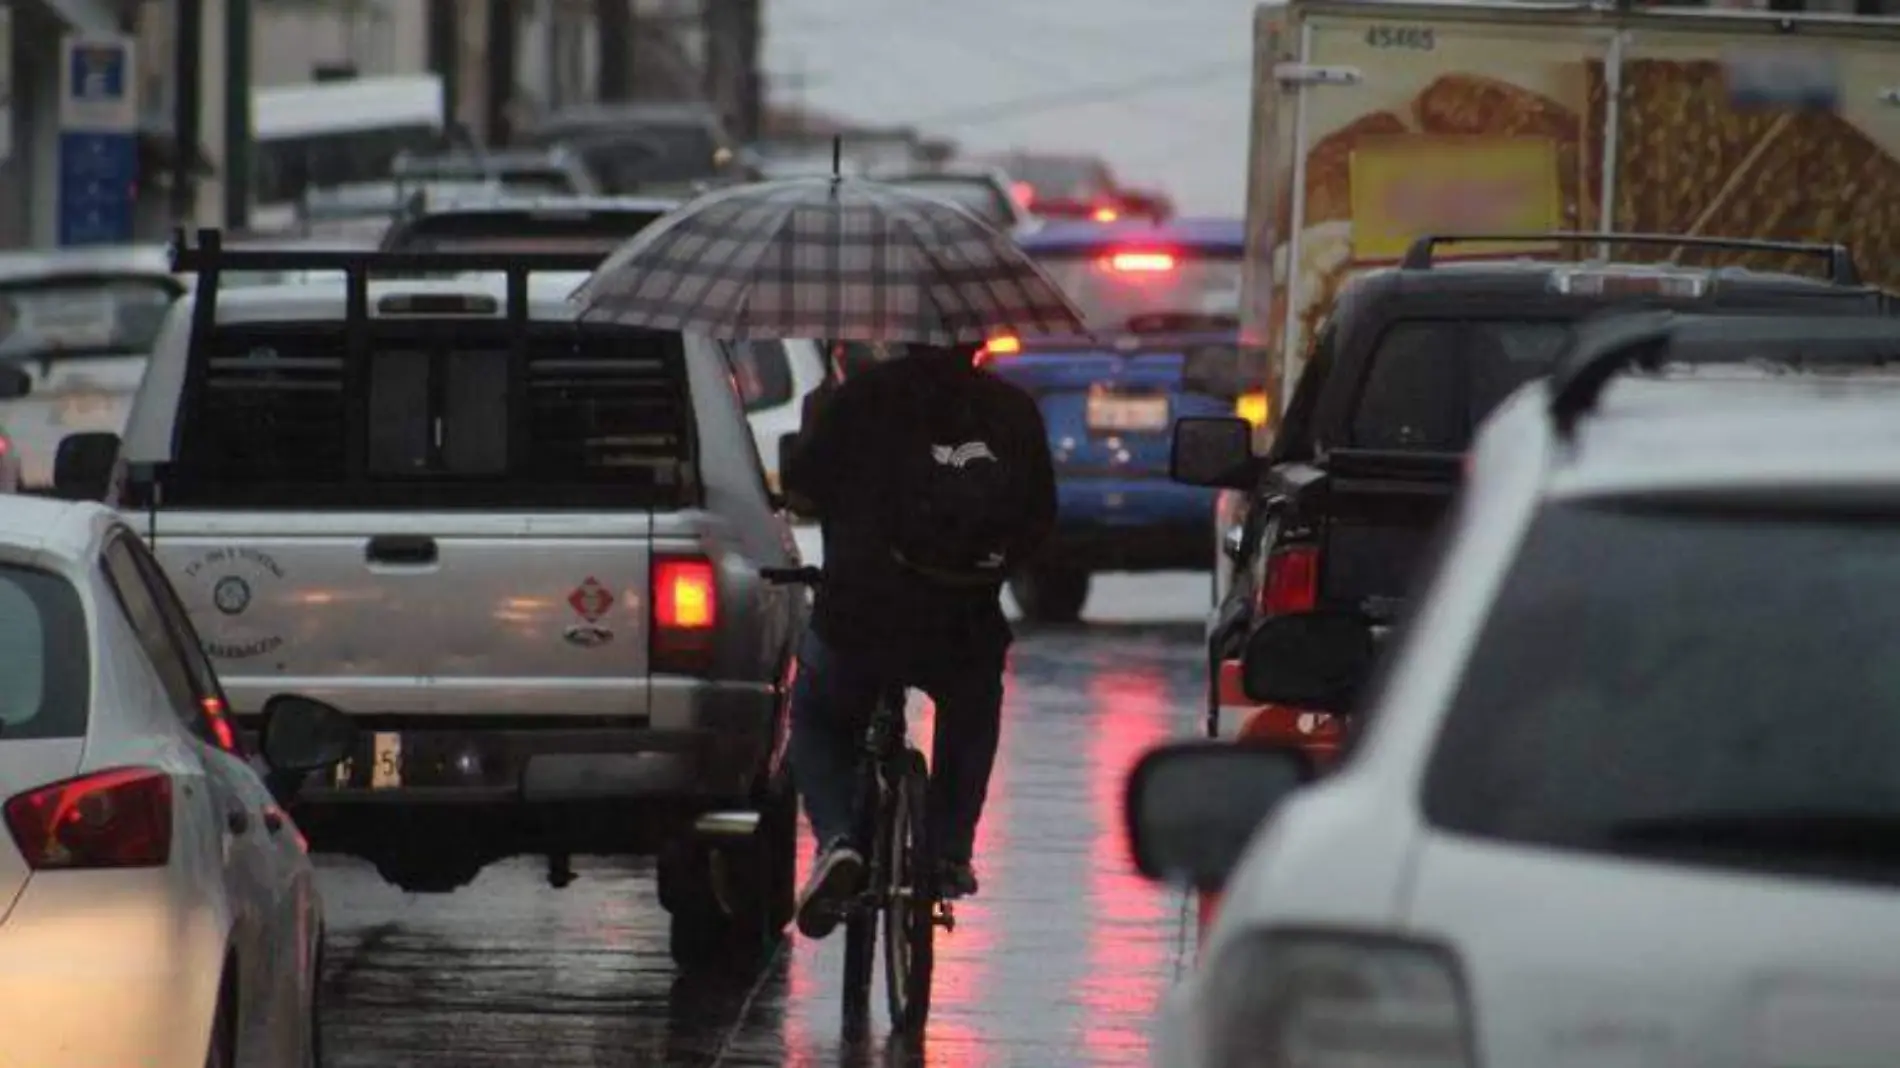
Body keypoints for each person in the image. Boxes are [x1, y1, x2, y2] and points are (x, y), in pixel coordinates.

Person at [780, 340, 1057, 939]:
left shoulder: (860, 400)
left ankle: (836, 842)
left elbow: (801, 488)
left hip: (860, 615)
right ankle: (950, 849)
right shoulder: (1011, 409)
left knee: (819, 720)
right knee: (973, 715)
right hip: (964, 620)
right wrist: (985, 568)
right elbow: (1040, 517)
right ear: (975, 340)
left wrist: (822, 414)